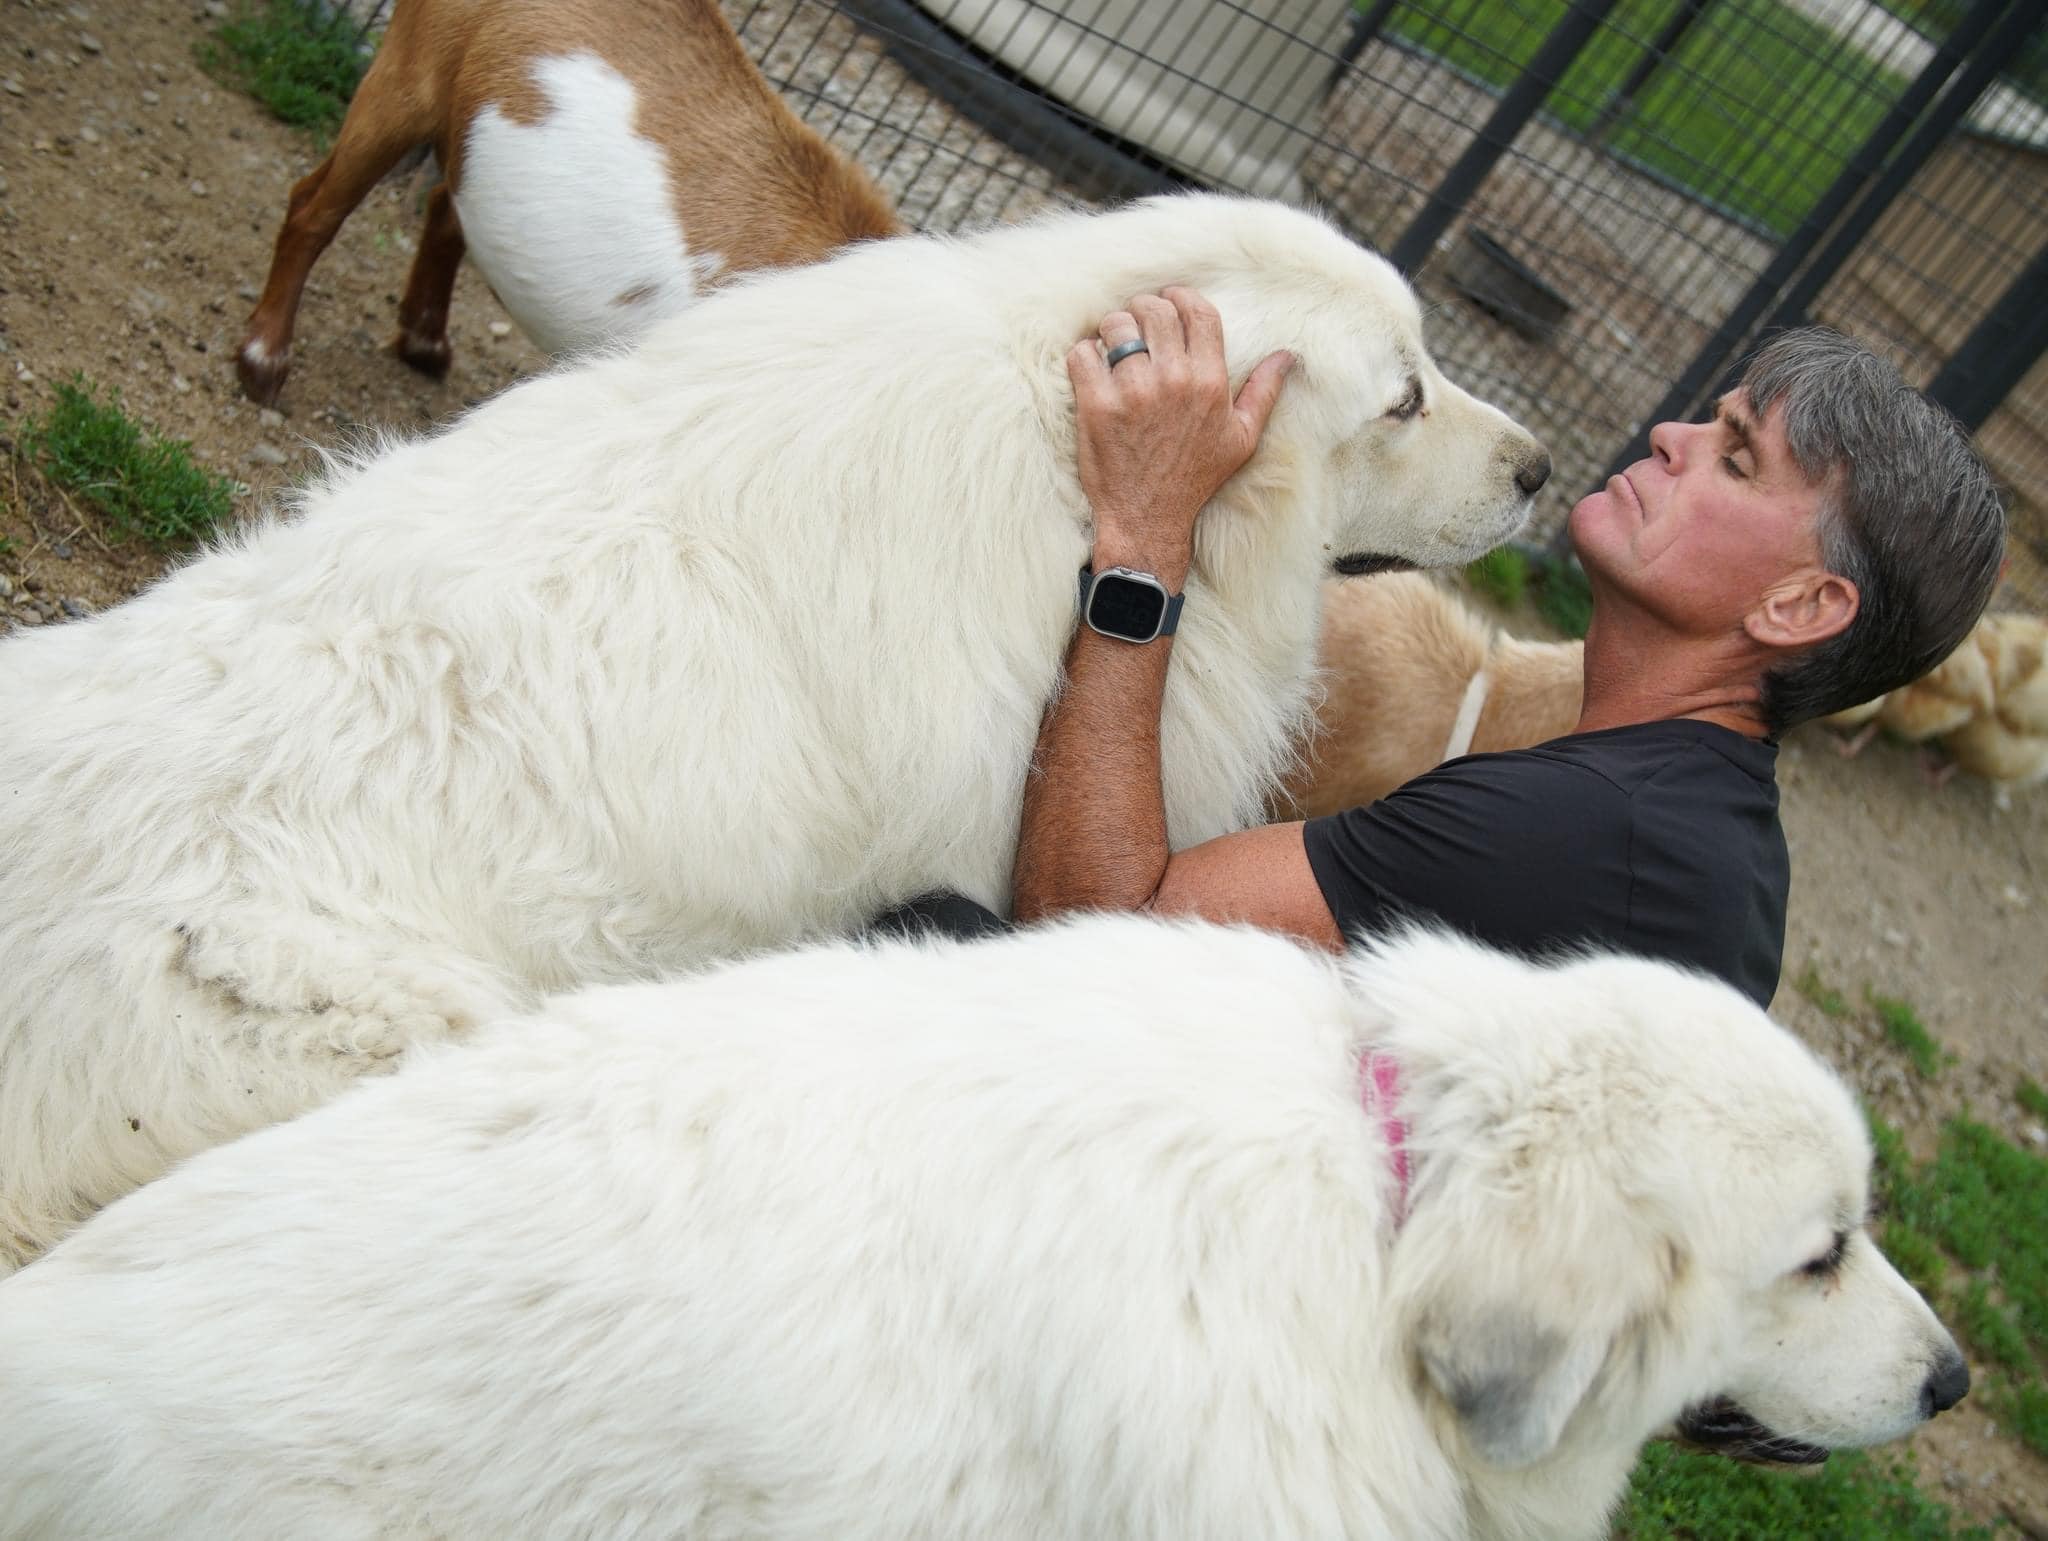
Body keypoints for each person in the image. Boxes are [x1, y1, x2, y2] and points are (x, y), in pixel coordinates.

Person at [885, 288, 2007, 1009]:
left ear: (1799, 606)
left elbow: (1085, 937)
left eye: (1736, 458)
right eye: (1707, 420)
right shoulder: (1707, 840)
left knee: (916, 937)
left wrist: (1144, 533)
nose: (1671, 436)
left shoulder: (1574, 833)